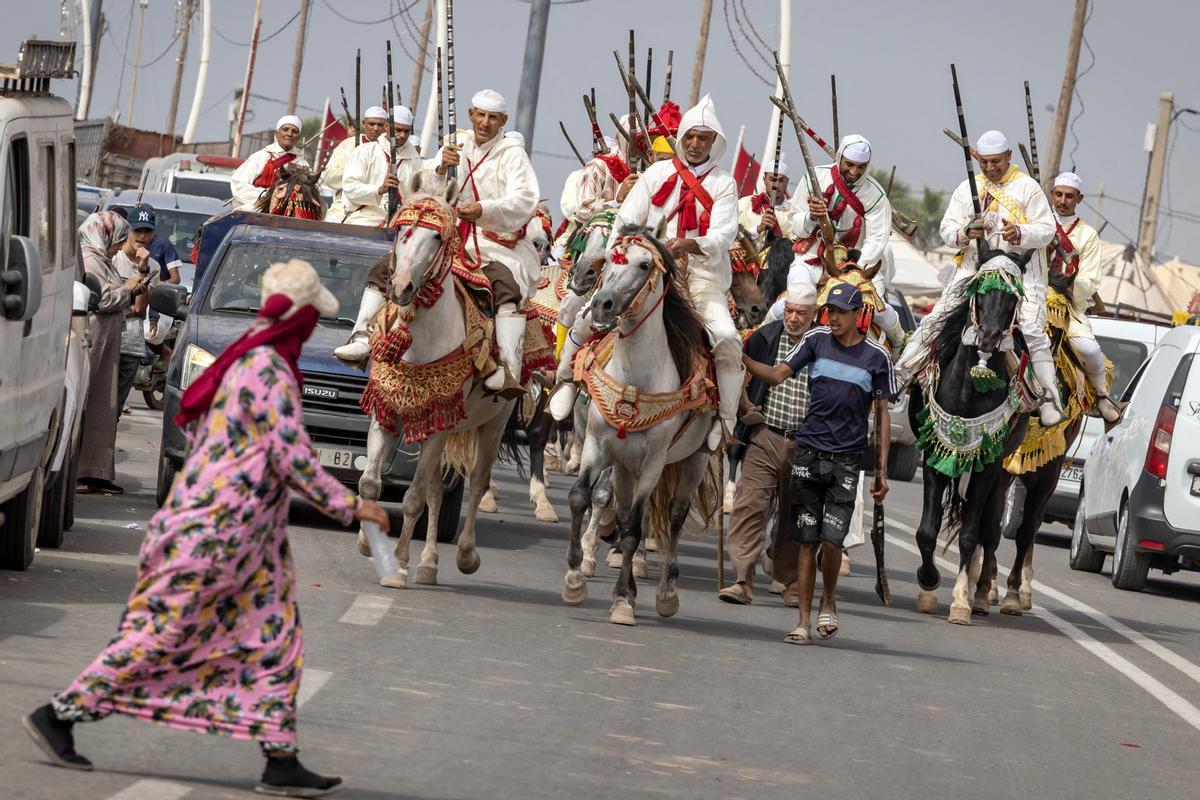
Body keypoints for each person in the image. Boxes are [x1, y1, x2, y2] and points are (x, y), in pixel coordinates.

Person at [24, 259, 391, 798]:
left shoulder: (247, 355)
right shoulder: (267, 368)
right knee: (162, 635)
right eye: (313, 315)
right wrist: (352, 504)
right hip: (216, 534)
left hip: (242, 536)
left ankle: (279, 756)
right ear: (301, 318)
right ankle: (60, 713)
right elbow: (291, 456)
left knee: (276, 639)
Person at [743, 283, 892, 644]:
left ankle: (829, 600)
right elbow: (778, 374)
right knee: (807, 541)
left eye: (841, 312)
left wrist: (882, 471)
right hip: (808, 454)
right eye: (831, 311)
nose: (834, 318)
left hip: (847, 461)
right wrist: (740, 358)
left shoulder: (877, 356)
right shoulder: (815, 340)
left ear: (859, 315)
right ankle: (804, 622)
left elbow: (882, 415)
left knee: (832, 543)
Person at [596, 94, 742, 450]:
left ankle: (726, 420)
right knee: (590, 313)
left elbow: (725, 234)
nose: (694, 145)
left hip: (701, 279)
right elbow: (626, 220)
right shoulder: (657, 172)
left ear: (714, 143)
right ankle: (570, 380)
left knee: (726, 338)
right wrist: (616, 255)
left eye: (703, 139)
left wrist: (691, 245)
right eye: (690, 137)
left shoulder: (724, 183)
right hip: (647, 273)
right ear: (682, 138)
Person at [894, 130, 1062, 426]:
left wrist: (1020, 232)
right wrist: (965, 232)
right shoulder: (966, 188)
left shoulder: (1028, 188)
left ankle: (1048, 397)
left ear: (1009, 157)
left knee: (1034, 330)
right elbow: (947, 230)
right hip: (974, 268)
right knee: (937, 317)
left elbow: (1048, 230)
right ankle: (902, 373)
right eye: (984, 162)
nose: (990, 168)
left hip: (1018, 272)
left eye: (996, 161)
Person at [425, 88, 541, 398]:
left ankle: (507, 365)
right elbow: (427, 190)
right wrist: (438, 168)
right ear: (470, 115)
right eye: (480, 115)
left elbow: (525, 199)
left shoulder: (512, 153)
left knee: (505, 290)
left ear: (502, 121)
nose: (485, 122)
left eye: (492, 117)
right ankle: (369, 335)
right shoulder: (455, 146)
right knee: (400, 267)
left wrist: (485, 209)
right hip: (451, 238)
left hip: (495, 246)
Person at [718, 284, 817, 607]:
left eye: (801, 313)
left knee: (794, 512)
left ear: (813, 314)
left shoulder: (823, 343)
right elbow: (737, 371)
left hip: (805, 442)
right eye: (789, 310)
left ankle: (789, 580)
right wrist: (746, 407)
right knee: (750, 505)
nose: (793, 318)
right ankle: (742, 579)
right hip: (765, 435)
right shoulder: (764, 337)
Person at [789, 134, 905, 348]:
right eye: (849, 164)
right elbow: (794, 223)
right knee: (794, 302)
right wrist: (811, 217)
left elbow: (877, 240)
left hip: (857, 266)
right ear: (840, 157)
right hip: (811, 258)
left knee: (879, 313)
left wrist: (853, 271)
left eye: (861, 167)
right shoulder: (814, 177)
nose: (854, 172)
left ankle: (899, 354)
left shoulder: (876, 195)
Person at [76, 212, 142, 495]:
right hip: (94, 341)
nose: (118, 247)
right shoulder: (90, 259)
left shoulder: (100, 259)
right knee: (91, 405)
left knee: (102, 407)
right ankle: (83, 473)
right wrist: (126, 291)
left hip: (105, 343)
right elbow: (100, 298)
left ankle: (95, 472)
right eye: (117, 240)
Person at [1048, 171, 1120, 422]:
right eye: (1058, 194)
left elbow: (1090, 280)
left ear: (1079, 199)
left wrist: (1065, 281)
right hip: (1032, 298)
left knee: (1089, 350)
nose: (1063, 201)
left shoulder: (1087, 235)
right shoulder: (1039, 223)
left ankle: (1102, 396)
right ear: (1051, 194)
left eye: (1069, 196)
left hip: (1067, 305)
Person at [339, 105, 421, 227]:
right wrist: (379, 190)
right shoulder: (365, 151)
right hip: (365, 217)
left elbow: (419, 193)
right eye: (398, 130)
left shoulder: (415, 160)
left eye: (406, 131)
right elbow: (350, 187)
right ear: (387, 127)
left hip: (401, 220)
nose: (402, 135)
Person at [113, 206, 161, 412]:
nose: (141, 236)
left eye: (147, 231)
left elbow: (140, 309)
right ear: (127, 230)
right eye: (137, 230)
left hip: (131, 344)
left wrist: (143, 268)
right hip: (107, 338)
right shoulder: (113, 257)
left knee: (115, 409)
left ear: (153, 235)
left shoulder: (153, 266)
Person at [230, 115, 310, 211]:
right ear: (276, 134)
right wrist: (267, 197)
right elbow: (238, 184)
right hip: (258, 206)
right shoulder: (261, 157)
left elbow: (308, 193)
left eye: (294, 131)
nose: (289, 134)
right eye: (285, 129)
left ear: (298, 137)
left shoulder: (303, 165)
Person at [319, 114, 375, 223]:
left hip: (371, 210)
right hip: (341, 204)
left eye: (355, 127)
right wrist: (352, 174)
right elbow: (329, 176)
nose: (353, 130)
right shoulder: (344, 146)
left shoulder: (381, 148)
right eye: (351, 127)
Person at [738, 159, 794, 241]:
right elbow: (733, 234)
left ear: (787, 182)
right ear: (764, 180)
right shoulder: (745, 204)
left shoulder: (794, 211)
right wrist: (759, 229)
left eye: (781, 180)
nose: (776, 185)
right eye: (772, 179)